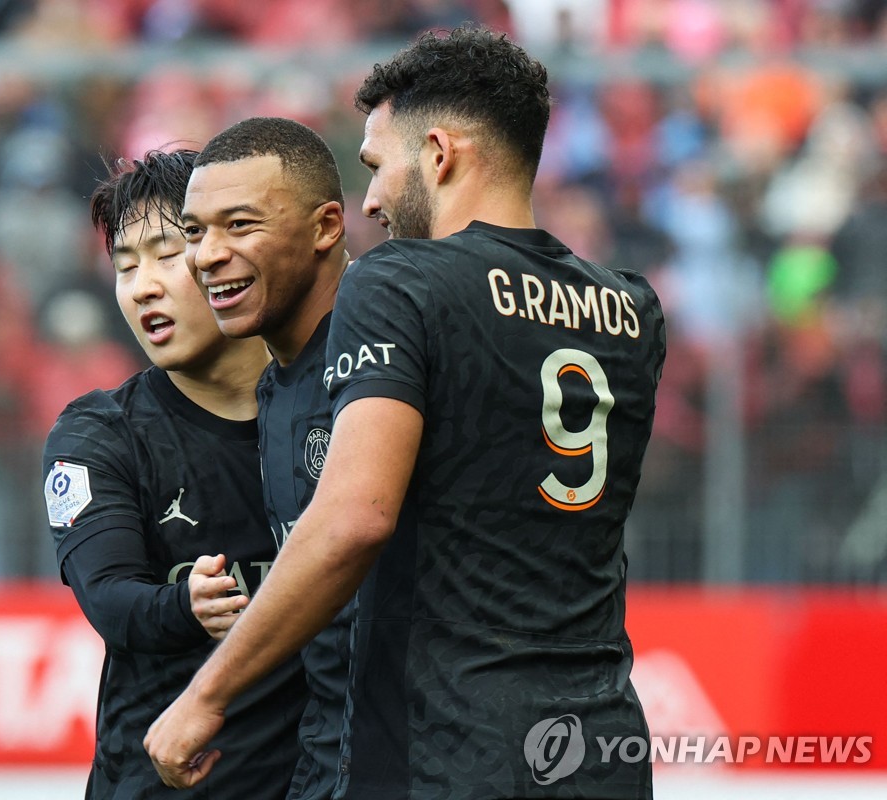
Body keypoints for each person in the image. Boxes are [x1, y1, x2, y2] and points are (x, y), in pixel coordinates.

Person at [146, 25, 665, 800]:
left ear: (439, 153)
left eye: (379, 167)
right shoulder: (629, 306)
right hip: (600, 746)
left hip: (450, 747)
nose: (375, 200)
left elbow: (356, 516)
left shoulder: (400, 282)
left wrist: (204, 697)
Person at [43, 148, 305, 799]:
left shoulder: (342, 412)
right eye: (124, 267)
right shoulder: (100, 434)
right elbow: (108, 597)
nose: (142, 286)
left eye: (164, 254)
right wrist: (183, 605)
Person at [177, 117, 350, 800]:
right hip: (327, 756)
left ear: (326, 227)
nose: (207, 255)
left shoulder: (387, 362)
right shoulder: (275, 386)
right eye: (194, 232)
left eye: (240, 225)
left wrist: (203, 699)